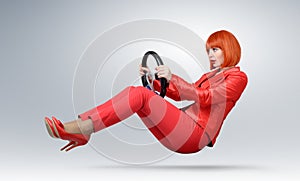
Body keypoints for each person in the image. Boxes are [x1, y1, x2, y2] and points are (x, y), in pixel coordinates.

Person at [44, 30, 248, 153]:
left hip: (195, 135)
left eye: (215, 49)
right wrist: (155, 81)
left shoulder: (238, 78)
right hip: (183, 132)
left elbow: (206, 98)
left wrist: (173, 77)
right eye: (209, 51)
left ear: (229, 49)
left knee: (140, 95)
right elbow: (180, 94)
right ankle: (84, 128)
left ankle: (85, 126)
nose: (210, 55)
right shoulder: (208, 77)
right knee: (139, 96)